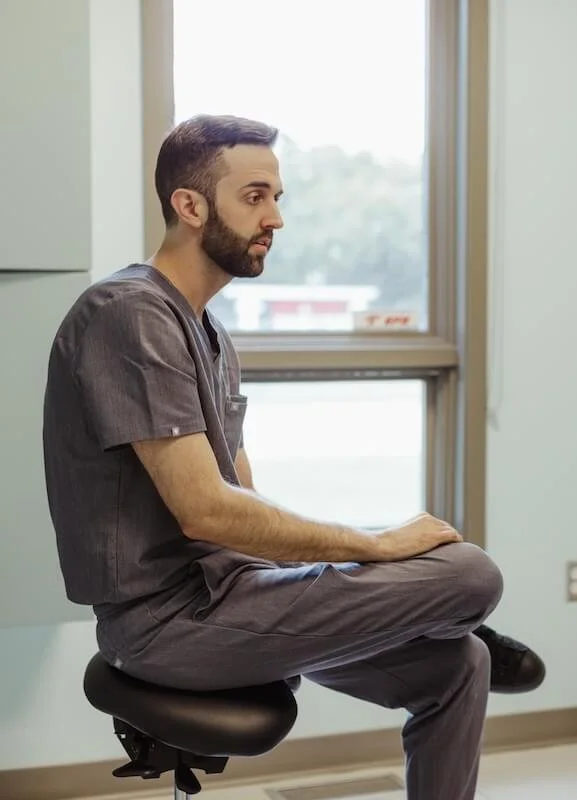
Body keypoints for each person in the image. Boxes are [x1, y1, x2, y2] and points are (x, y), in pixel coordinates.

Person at [41, 114, 544, 800]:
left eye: (278, 197)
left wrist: (343, 581)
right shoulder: (126, 314)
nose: (275, 216)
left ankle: (448, 617)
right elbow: (204, 512)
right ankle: (452, 603)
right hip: (167, 625)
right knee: (472, 572)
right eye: (254, 196)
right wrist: (377, 549)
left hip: (235, 593)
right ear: (189, 206)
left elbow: (244, 506)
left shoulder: (213, 334)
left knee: (459, 664)